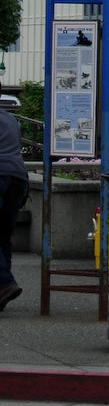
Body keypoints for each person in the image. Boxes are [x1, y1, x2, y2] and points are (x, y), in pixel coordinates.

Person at [0, 88, 29, 310]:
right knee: (3, 236)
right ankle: (2, 295)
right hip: (18, 179)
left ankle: (5, 283)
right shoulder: (10, 119)